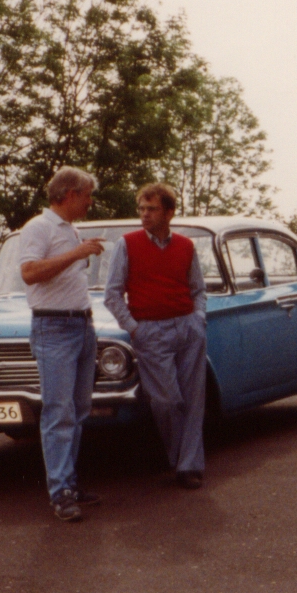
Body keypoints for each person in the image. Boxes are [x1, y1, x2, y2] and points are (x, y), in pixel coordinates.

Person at [104, 182, 210, 489]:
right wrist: (135, 328)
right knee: (166, 400)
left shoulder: (186, 246)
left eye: (151, 209)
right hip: (150, 331)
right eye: (141, 209)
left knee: (193, 399)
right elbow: (112, 295)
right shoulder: (128, 244)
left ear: (169, 212)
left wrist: (198, 318)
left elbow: (198, 289)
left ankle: (188, 467)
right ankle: (179, 456)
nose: (145, 215)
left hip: (188, 327)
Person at [19, 166, 107, 521]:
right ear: (69, 194)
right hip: (52, 327)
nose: (89, 202)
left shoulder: (69, 228)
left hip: (81, 326)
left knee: (78, 410)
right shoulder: (38, 227)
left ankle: (69, 482)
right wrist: (75, 253)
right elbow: (29, 273)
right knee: (59, 412)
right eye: (87, 195)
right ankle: (60, 493)